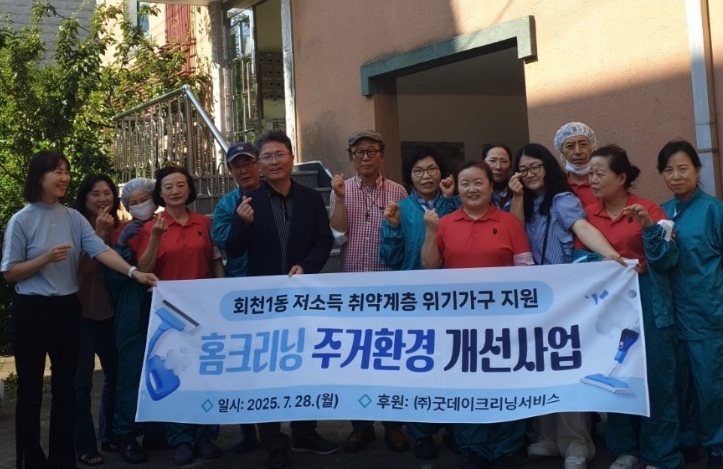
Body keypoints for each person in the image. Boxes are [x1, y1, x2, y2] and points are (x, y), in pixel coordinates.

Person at [2, 151, 157, 469]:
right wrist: (45, 259)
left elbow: (100, 251)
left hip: (67, 309)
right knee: (30, 391)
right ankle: (31, 460)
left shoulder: (72, 218)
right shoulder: (22, 219)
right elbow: (10, 272)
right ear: (39, 177)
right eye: (57, 172)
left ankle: (62, 459)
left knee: (65, 388)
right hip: (32, 310)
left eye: (66, 172)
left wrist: (134, 273)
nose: (64, 178)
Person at [225, 130, 338, 469]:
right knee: (267, 370)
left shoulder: (310, 198)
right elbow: (233, 250)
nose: (274, 162)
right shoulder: (248, 201)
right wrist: (242, 224)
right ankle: (273, 442)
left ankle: (305, 432)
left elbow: (324, 240)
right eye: (266, 157)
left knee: (304, 365)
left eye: (279, 154)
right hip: (265, 301)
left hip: (303, 297)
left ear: (291, 157)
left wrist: (308, 266)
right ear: (258, 165)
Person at [510, 143, 623, 469]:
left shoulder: (562, 200)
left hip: (564, 299)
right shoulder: (522, 202)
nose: (530, 174)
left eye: (535, 166)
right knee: (539, 370)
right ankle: (547, 438)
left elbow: (582, 227)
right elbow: (513, 234)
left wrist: (609, 254)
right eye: (524, 169)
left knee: (567, 369)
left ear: (547, 166)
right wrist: (516, 198)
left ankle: (577, 444)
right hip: (533, 301)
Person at [575, 145, 682, 469]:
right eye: (590, 174)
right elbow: (577, 258)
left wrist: (648, 227)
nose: (592, 180)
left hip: (649, 299)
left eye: (599, 173)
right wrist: (600, 261)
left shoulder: (649, 209)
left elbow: (668, 258)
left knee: (656, 377)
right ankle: (625, 449)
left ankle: (661, 454)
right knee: (617, 373)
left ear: (621, 177)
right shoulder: (588, 215)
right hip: (609, 306)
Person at [421, 160, 533, 469]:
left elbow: (525, 268)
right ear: (457, 188)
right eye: (465, 183)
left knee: (506, 382)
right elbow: (429, 266)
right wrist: (430, 232)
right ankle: (474, 447)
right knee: (467, 383)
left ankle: (506, 447)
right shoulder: (445, 223)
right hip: (460, 322)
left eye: (478, 182)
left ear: (491, 186)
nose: (472, 189)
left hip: (504, 320)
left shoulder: (509, 223)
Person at [135, 165, 224, 466]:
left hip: (204, 308)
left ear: (189, 189)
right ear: (160, 193)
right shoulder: (151, 227)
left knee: (205, 372)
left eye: (180, 185)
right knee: (175, 372)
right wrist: (156, 237)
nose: (175, 191)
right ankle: (180, 438)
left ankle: (205, 435)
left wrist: (221, 291)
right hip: (168, 314)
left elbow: (215, 260)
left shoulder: (204, 222)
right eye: (168, 186)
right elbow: (144, 269)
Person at [329, 130, 409, 453]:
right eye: (359, 152)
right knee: (356, 359)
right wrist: (339, 199)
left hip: (387, 287)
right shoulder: (342, 188)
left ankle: (393, 425)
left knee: (389, 357)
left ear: (381, 155)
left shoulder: (398, 191)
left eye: (371, 151)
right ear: (351, 158)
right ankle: (360, 427)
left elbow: (402, 235)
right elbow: (337, 235)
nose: (365, 157)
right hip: (353, 288)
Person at [377, 145, 455, 459]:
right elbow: (390, 259)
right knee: (418, 366)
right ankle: (421, 432)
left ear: (442, 172)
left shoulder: (455, 202)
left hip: (452, 299)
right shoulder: (401, 208)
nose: (426, 176)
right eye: (418, 171)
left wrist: (448, 200)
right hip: (414, 301)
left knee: (452, 364)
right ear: (409, 177)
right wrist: (393, 228)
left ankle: (455, 428)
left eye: (432, 169)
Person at [657, 140, 723, 469]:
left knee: (711, 385)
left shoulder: (714, 211)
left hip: (708, 311)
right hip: (672, 313)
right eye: (668, 170)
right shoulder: (661, 212)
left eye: (683, 168)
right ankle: (689, 440)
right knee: (680, 383)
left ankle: (718, 446)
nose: (676, 176)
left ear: (697, 170)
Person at [104, 177, 165, 464]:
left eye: (145, 199)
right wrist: (122, 243)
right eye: (133, 202)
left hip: (163, 303)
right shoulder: (119, 232)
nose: (140, 205)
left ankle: (156, 431)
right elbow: (114, 278)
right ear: (125, 206)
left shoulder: (166, 225)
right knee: (131, 374)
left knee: (162, 368)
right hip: (131, 307)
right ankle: (126, 434)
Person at [210, 141, 262, 454]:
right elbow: (220, 238)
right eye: (236, 165)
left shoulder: (274, 194)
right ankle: (247, 430)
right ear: (230, 171)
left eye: (247, 163)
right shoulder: (227, 204)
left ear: (258, 165)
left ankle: (298, 429)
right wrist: (240, 220)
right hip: (240, 288)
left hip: (275, 289)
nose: (243, 170)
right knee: (243, 363)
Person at [72, 174, 122, 466]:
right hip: (79, 316)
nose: (103, 198)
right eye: (95, 193)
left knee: (116, 375)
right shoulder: (75, 226)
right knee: (81, 383)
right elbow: (87, 268)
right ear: (84, 198)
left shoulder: (120, 226)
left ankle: (110, 433)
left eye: (107, 193)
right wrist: (101, 234)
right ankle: (84, 444)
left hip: (111, 313)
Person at [553, 122, 597, 208]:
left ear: (592, 148)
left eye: (583, 144)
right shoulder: (557, 186)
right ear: (562, 152)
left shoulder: (604, 184)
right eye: (570, 146)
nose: (578, 151)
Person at [482, 144, 515, 212]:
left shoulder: (520, 193)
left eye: (504, 161)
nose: (498, 167)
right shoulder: (474, 194)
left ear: (511, 166)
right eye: (492, 161)